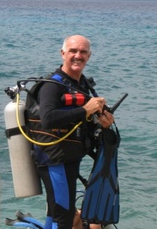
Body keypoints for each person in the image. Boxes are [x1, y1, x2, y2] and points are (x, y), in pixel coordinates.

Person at [33, 35, 114, 229]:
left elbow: (81, 119)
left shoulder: (82, 85)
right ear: (63, 54)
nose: (78, 56)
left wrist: (105, 121)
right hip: (54, 159)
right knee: (64, 215)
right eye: (73, 51)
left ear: (89, 56)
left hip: (71, 156)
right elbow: (48, 119)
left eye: (83, 52)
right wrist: (86, 110)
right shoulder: (52, 85)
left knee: (58, 211)